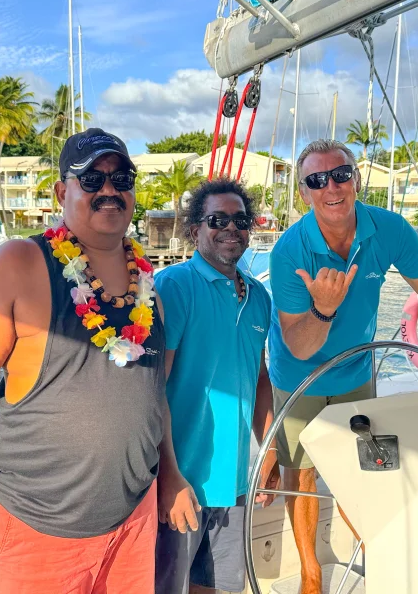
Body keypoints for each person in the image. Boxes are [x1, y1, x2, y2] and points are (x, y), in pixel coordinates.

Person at [0, 128, 166, 594]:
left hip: (135, 518)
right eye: (92, 179)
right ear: (61, 192)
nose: (110, 189)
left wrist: (169, 478)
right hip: (39, 529)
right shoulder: (20, 263)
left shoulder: (146, 280)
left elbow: (156, 397)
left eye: (122, 177)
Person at [268, 139, 418, 594]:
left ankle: (376, 548)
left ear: (357, 179)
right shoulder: (290, 251)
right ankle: (310, 572)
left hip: (354, 372)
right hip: (298, 375)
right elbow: (299, 345)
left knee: (363, 466)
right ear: (305, 192)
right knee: (302, 472)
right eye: (316, 180)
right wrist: (325, 309)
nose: (331, 186)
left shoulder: (389, 230)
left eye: (341, 174)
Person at [154, 179, 280, 594]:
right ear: (195, 231)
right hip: (182, 480)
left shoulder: (259, 297)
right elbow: (154, 388)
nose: (231, 228)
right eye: (217, 219)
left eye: (240, 220)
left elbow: (260, 378)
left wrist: (270, 452)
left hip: (235, 482)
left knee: (220, 585)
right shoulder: (174, 286)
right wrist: (169, 476)